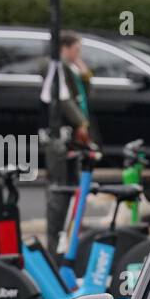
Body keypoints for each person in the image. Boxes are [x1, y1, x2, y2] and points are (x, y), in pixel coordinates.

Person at [41, 31, 97, 255]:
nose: (79, 53)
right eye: (77, 48)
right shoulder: (55, 67)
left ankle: (69, 237)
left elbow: (83, 97)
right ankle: (56, 244)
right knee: (59, 190)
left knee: (72, 188)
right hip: (61, 139)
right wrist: (81, 122)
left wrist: (85, 77)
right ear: (66, 47)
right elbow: (63, 100)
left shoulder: (70, 69)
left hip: (72, 138)